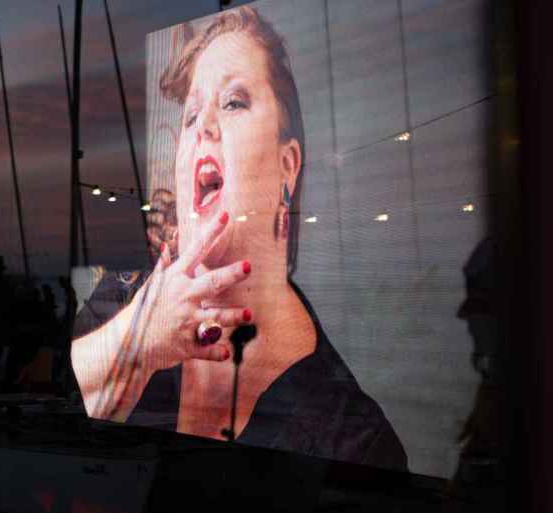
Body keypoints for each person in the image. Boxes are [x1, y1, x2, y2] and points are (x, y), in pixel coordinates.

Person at [70, 6, 406, 470]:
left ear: (287, 165)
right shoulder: (121, 303)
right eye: (190, 116)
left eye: (232, 102)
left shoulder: (351, 440)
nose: (203, 125)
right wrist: (137, 343)